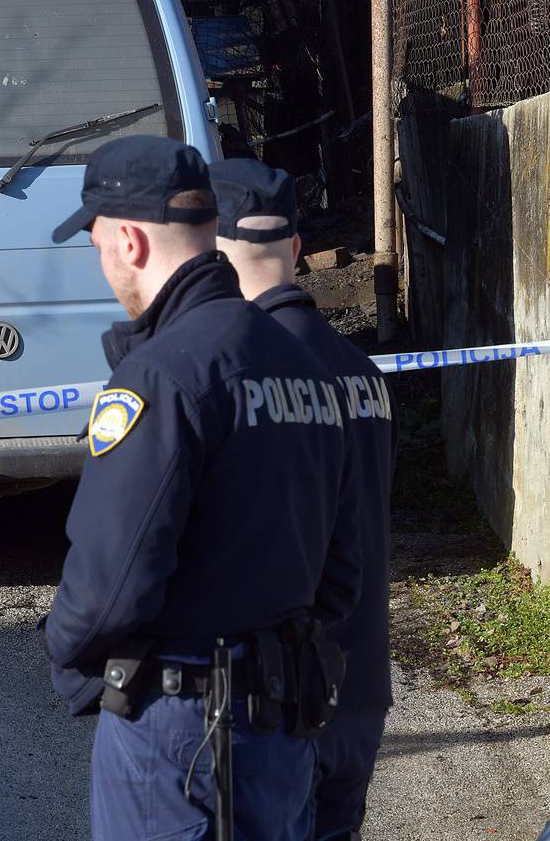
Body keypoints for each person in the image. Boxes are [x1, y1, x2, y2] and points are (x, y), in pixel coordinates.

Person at [43, 136, 360, 841]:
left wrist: (65, 654)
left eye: (94, 241)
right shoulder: (307, 368)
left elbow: (108, 587)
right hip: (281, 734)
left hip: (178, 737)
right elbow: (342, 575)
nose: (100, 262)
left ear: (128, 240)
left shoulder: (160, 378)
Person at [212, 158, 396, 841]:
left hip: (282, 693)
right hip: (362, 684)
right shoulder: (366, 374)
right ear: (294, 249)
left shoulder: (241, 372)